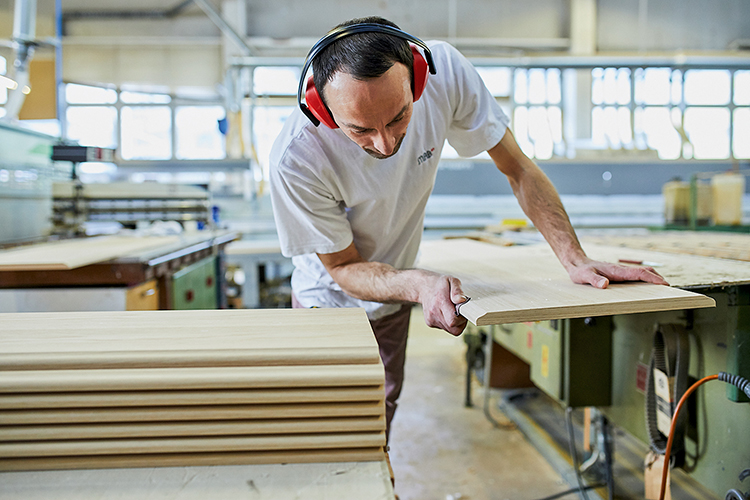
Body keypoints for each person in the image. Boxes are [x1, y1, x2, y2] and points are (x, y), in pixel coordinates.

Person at [269, 16, 667, 441]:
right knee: (323, 423)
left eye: (399, 116)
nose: (384, 144)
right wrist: (419, 284)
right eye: (360, 130)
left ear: (418, 79)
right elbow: (344, 267)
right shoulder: (297, 158)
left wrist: (575, 259)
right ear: (322, 110)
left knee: (378, 415)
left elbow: (518, 169)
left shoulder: (444, 73)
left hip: (392, 296)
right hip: (327, 301)